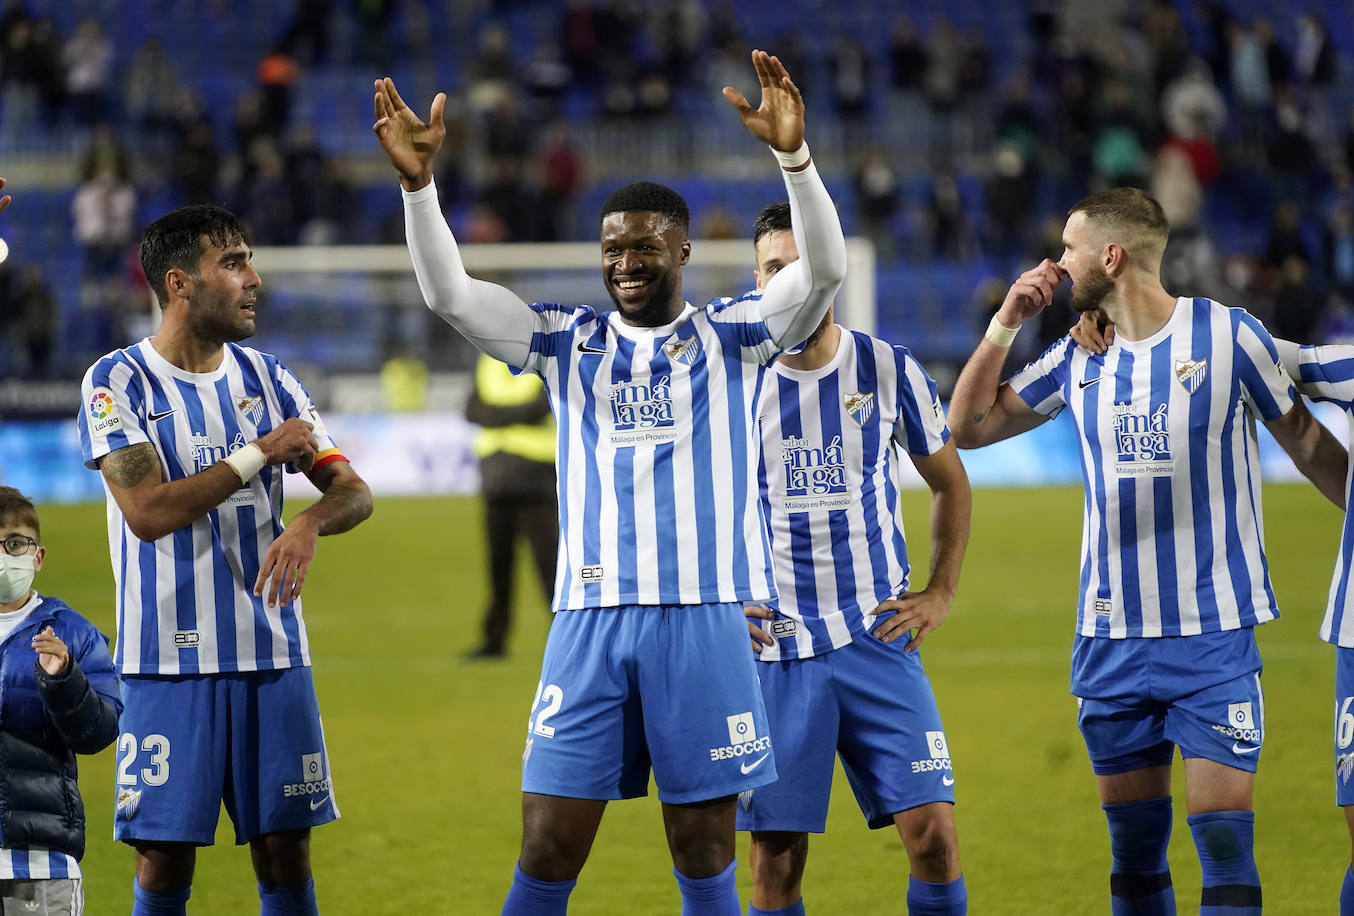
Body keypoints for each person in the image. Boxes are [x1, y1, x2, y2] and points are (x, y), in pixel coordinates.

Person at [372, 49, 846, 916]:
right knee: (549, 841)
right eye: (612, 248)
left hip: (703, 617)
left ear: (684, 251)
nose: (625, 262)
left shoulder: (736, 336)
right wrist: (419, 191)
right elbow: (449, 296)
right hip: (588, 621)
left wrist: (795, 161)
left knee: (703, 847)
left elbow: (823, 274)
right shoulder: (563, 341)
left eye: (645, 246)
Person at [946, 187, 1347, 916]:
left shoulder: (1228, 337)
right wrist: (1008, 321)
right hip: (1110, 640)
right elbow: (968, 428)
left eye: (1069, 249)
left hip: (1212, 636)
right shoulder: (1076, 354)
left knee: (1225, 845)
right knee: (1133, 853)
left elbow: (1310, 444)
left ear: (1111, 255)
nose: (1058, 265)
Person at [77, 204, 374, 916]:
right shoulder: (116, 383)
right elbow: (146, 513)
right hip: (163, 665)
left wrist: (308, 522)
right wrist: (258, 454)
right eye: (233, 262)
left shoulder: (270, 379)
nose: (254, 279)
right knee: (164, 856)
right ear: (179, 283)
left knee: (285, 847)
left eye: (250, 260)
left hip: (273, 655)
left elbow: (354, 492)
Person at [738, 203, 972, 916]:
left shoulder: (886, 367)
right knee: (776, 864)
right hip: (777, 650)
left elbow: (949, 483)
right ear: (756, 280)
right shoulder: (731, 378)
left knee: (934, 838)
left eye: (803, 267)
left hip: (879, 637)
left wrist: (940, 590)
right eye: (775, 270)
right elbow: (684, 503)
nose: (790, 284)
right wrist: (715, 602)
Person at [0, 485, 121, 915]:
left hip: (39, 859)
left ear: (37, 556)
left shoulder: (73, 634)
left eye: (14, 543)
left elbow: (100, 732)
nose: (3, 555)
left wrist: (66, 680)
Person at [465, 351, 558, 659]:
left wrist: (496, 416)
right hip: (498, 477)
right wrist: (510, 415)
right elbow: (471, 410)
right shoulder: (486, 361)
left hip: (537, 479)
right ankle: (494, 641)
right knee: (498, 567)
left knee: (551, 567)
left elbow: (539, 409)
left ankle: (567, 641)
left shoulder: (545, 359)